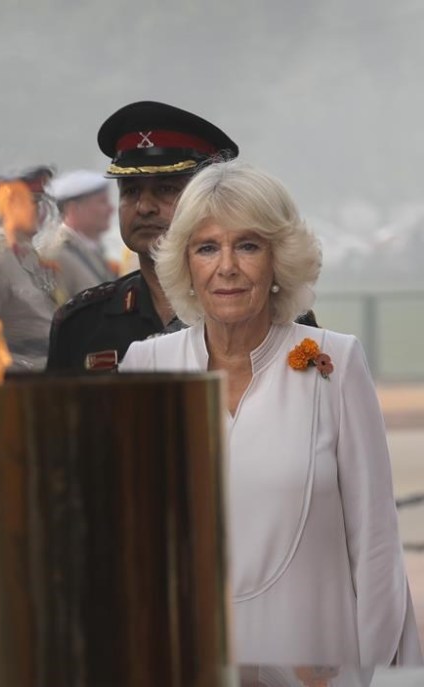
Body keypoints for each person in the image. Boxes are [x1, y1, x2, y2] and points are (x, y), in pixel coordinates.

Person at [120, 159, 422, 667]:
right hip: (180, 662)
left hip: (319, 664)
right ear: (186, 263)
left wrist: (368, 674)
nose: (228, 266)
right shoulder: (146, 368)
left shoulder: (334, 363)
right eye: (207, 247)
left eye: (249, 245)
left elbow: (375, 544)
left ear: (279, 258)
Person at [46, 101, 238, 371]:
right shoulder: (82, 324)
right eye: (131, 191)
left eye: (167, 189)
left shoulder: (261, 314)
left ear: (208, 199)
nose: (144, 207)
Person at [0, 165, 59, 371]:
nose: (41, 211)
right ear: (10, 205)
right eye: (33, 202)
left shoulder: (29, 255)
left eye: (41, 202)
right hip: (19, 375)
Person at [40, 169, 116, 299]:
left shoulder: (91, 250)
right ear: (73, 209)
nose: (111, 209)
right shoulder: (56, 255)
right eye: (102, 202)